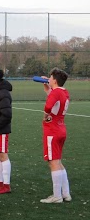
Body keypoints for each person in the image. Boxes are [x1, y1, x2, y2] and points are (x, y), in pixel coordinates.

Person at [39, 68, 71, 204]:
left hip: (52, 130)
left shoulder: (56, 92)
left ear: (55, 80)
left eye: (50, 78)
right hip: (61, 128)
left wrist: (46, 115)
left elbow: (48, 106)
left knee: (53, 162)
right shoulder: (64, 91)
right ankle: (66, 193)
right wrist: (47, 86)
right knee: (58, 161)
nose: (49, 79)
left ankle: (57, 196)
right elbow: (53, 96)